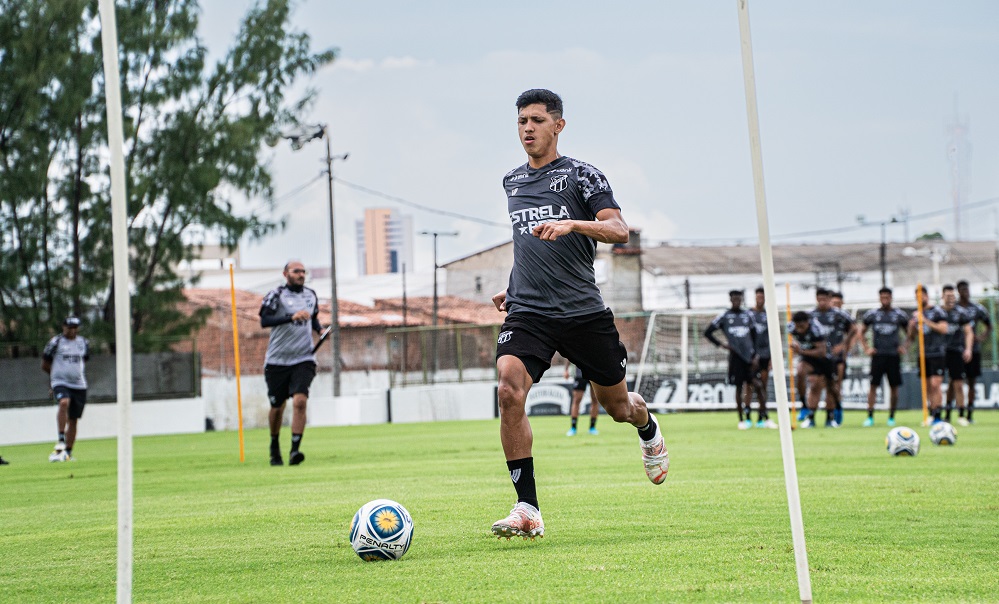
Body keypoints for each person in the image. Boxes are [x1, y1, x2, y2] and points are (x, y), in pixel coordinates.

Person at [490, 89, 668, 541]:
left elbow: (619, 230)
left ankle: (647, 427)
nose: (526, 128)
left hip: (583, 313)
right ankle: (526, 507)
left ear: (558, 125)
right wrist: (511, 290)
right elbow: (526, 247)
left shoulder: (583, 176)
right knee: (509, 389)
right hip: (529, 311)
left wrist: (573, 223)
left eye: (535, 120)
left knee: (616, 407)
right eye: (520, 122)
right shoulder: (511, 182)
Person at [259, 260, 322, 466]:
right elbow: (264, 321)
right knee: (277, 406)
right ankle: (274, 445)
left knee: (300, 401)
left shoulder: (311, 295)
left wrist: (320, 330)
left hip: (303, 358)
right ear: (285, 274)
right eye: (296, 271)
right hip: (277, 361)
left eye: (303, 271)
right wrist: (291, 317)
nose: (301, 274)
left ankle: (295, 450)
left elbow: (313, 319)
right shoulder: (275, 295)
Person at [704, 290, 760, 430]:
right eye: (734, 299)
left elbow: (755, 336)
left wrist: (755, 354)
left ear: (741, 299)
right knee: (739, 387)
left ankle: (756, 416)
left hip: (749, 357)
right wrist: (722, 345)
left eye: (739, 299)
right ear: (730, 299)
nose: (736, 301)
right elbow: (707, 332)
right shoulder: (724, 316)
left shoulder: (748, 315)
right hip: (736, 357)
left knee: (755, 385)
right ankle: (741, 419)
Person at [858, 287, 909, 427]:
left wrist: (904, 346)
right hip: (878, 356)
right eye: (882, 297)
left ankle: (891, 416)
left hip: (893, 355)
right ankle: (870, 416)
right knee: (873, 385)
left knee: (894, 387)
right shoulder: (872, 315)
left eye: (887, 297)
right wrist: (867, 348)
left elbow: (910, 333)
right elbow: (860, 332)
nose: (885, 300)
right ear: (879, 298)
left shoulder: (899, 315)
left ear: (891, 298)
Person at [42, 316, 90, 462]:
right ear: (64, 327)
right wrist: (53, 381)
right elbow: (45, 364)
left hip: (79, 384)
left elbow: (83, 361)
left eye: (75, 327)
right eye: (69, 327)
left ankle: (67, 453)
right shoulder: (56, 342)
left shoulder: (83, 343)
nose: (72, 330)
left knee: (74, 419)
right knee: (64, 402)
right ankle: (61, 438)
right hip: (60, 381)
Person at [908, 286, 955, 424]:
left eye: (921, 295)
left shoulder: (937, 311)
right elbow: (913, 336)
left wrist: (925, 320)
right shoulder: (916, 313)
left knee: (936, 384)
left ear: (926, 296)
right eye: (917, 296)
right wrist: (912, 327)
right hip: (923, 354)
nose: (919, 298)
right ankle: (931, 411)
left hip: (937, 353)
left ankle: (938, 414)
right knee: (927, 385)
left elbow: (943, 329)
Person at [809, 288, 854, 427]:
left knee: (833, 387)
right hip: (818, 357)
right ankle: (811, 418)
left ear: (829, 299)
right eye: (819, 299)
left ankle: (831, 417)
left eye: (825, 299)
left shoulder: (840, 314)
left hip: (835, 357)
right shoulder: (811, 315)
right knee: (815, 385)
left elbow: (854, 328)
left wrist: (843, 345)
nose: (822, 302)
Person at [956, 280, 991, 425]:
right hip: (957, 350)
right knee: (955, 381)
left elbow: (989, 325)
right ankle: (959, 413)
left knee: (971, 382)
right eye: (962, 289)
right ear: (958, 291)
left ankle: (969, 414)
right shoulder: (954, 309)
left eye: (967, 289)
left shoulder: (977, 308)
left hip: (973, 351)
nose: (966, 292)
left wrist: (981, 337)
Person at [789, 311, 832, 429]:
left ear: (807, 323)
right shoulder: (791, 327)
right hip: (807, 358)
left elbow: (822, 352)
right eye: (797, 327)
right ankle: (805, 408)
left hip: (823, 359)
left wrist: (801, 351)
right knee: (801, 373)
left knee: (828, 387)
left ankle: (830, 416)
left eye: (802, 327)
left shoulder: (817, 329)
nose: (800, 330)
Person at [939, 285, 974, 423]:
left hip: (956, 351)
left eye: (953, 296)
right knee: (942, 383)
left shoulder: (961, 313)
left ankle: (961, 414)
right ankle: (943, 414)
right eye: (948, 296)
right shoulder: (938, 312)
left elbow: (969, 332)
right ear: (942, 296)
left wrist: (968, 349)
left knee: (958, 383)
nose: (951, 299)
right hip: (940, 352)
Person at [749, 286, 777, 429]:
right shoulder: (749, 314)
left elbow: (773, 337)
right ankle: (747, 417)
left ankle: (762, 417)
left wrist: (772, 358)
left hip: (766, 354)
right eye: (758, 297)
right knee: (749, 385)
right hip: (751, 356)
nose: (760, 300)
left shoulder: (769, 314)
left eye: (762, 297)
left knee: (763, 386)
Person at [563, 361, 599, 436]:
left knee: (595, 399)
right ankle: (573, 427)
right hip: (580, 373)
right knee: (576, 400)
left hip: (594, 372)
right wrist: (566, 369)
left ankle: (592, 427)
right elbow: (568, 351)